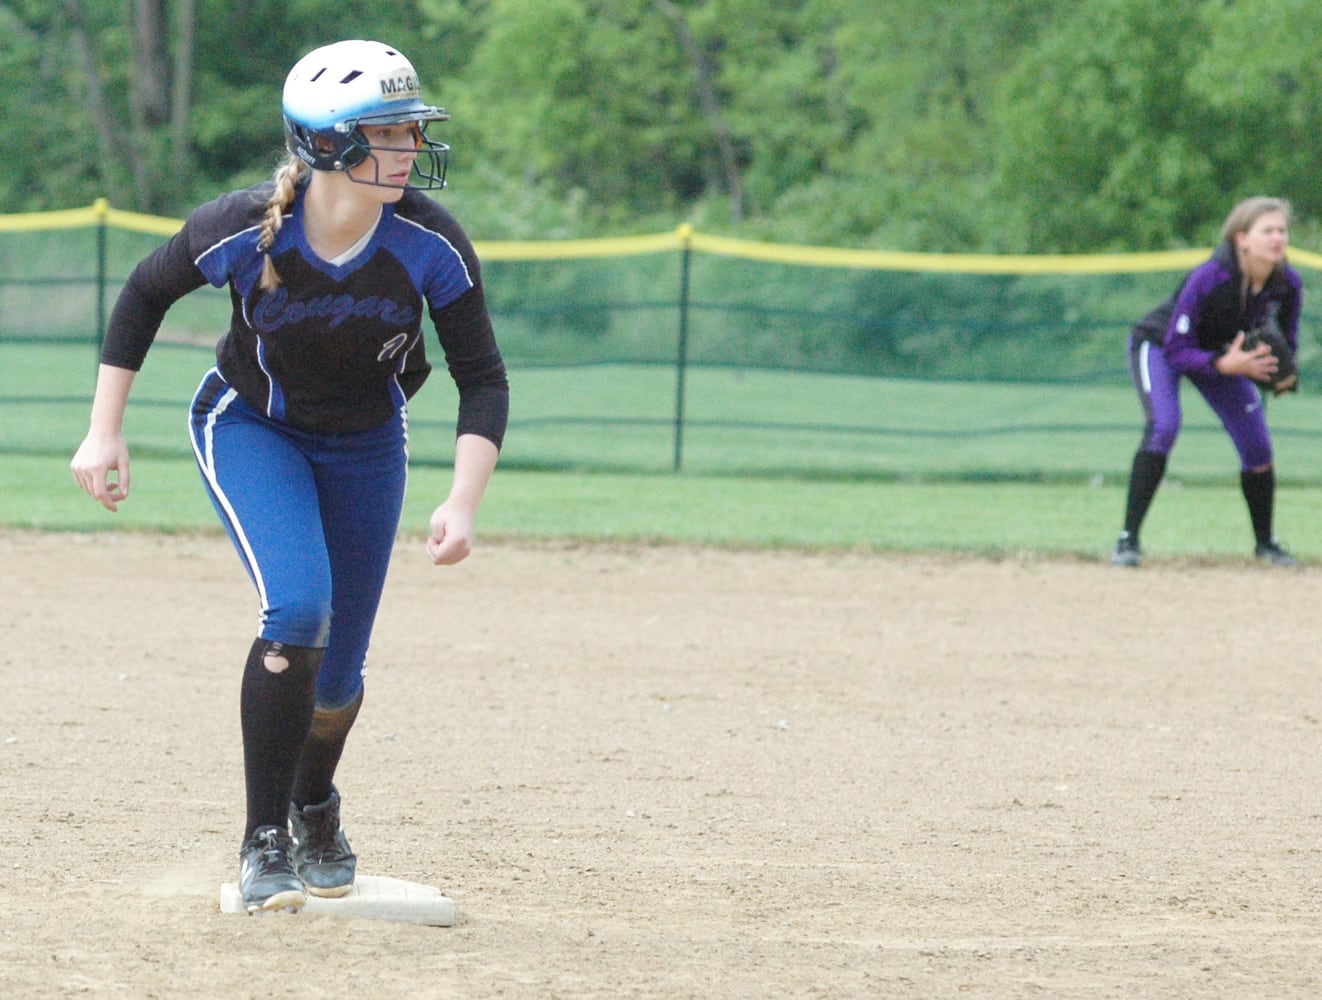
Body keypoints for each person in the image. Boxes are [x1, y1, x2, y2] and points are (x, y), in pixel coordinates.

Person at [70, 39, 509, 913]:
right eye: (388, 131)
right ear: (326, 145)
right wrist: (102, 431)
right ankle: (261, 838)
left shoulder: (430, 243)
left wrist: (463, 501)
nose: (410, 147)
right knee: (299, 608)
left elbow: (483, 377)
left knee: (340, 675)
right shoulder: (240, 226)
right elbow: (145, 292)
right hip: (251, 429)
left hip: (367, 444)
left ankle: (315, 806)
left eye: (411, 129)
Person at [1111, 196, 1302, 568]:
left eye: (1282, 230)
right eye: (1267, 231)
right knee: (1164, 426)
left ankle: (1267, 544)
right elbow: (1178, 348)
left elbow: (1287, 344)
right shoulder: (1212, 277)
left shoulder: (1286, 284)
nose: (1277, 238)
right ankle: (1127, 540)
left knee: (1257, 444)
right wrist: (1225, 364)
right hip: (1161, 346)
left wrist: (1276, 370)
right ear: (1241, 238)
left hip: (1225, 357)